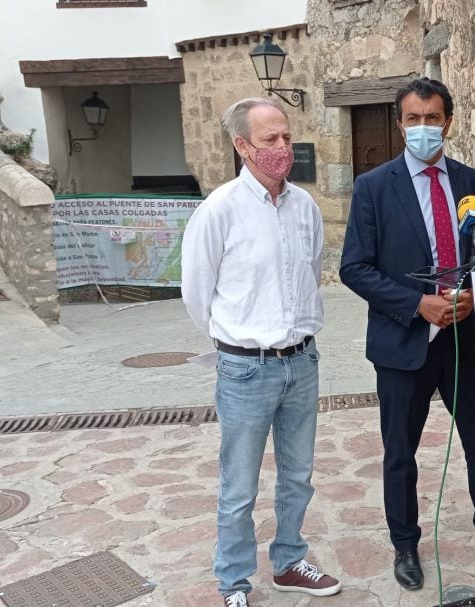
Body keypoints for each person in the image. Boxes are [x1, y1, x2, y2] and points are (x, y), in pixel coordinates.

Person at [340, 77, 475, 591]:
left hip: (462, 338)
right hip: (402, 342)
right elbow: (355, 268)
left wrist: (473, 297)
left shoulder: (469, 181)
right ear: (399, 124)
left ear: (448, 122)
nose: (422, 128)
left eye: (432, 118)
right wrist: (419, 304)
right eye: (413, 119)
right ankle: (406, 545)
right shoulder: (374, 187)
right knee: (400, 451)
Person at [181, 97, 341, 607]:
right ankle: (233, 581)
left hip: (302, 360)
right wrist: (239, 339)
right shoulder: (220, 209)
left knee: (298, 475)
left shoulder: (305, 207)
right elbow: (197, 294)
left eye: (287, 138)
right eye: (270, 140)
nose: (282, 149)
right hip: (246, 368)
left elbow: (310, 275)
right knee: (239, 487)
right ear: (242, 145)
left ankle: (290, 560)